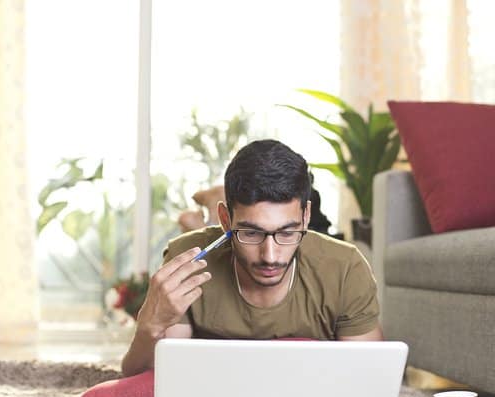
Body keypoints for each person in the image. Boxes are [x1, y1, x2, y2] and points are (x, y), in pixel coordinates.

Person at [121, 139, 382, 377]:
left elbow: (370, 379)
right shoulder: (188, 261)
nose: (270, 256)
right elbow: (148, 379)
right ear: (225, 220)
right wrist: (149, 327)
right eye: (251, 232)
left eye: (287, 232)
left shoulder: (346, 267)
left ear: (305, 217)